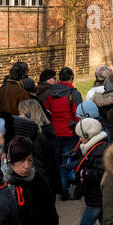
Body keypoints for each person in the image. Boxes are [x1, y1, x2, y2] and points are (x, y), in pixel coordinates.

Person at [68, 117, 108, 225]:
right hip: (99, 197)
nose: (79, 139)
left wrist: (83, 173)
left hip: (95, 198)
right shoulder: (98, 146)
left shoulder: (97, 150)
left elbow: (100, 172)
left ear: (87, 135)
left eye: (80, 136)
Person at [42, 68, 79, 199]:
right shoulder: (73, 93)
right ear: (71, 78)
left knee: (58, 161)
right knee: (69, 160)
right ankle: (68, 188)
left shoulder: (50, 93)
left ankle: (62, 189)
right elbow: (78, 114)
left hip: (55, 132)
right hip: (70, 132)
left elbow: (47, 112)